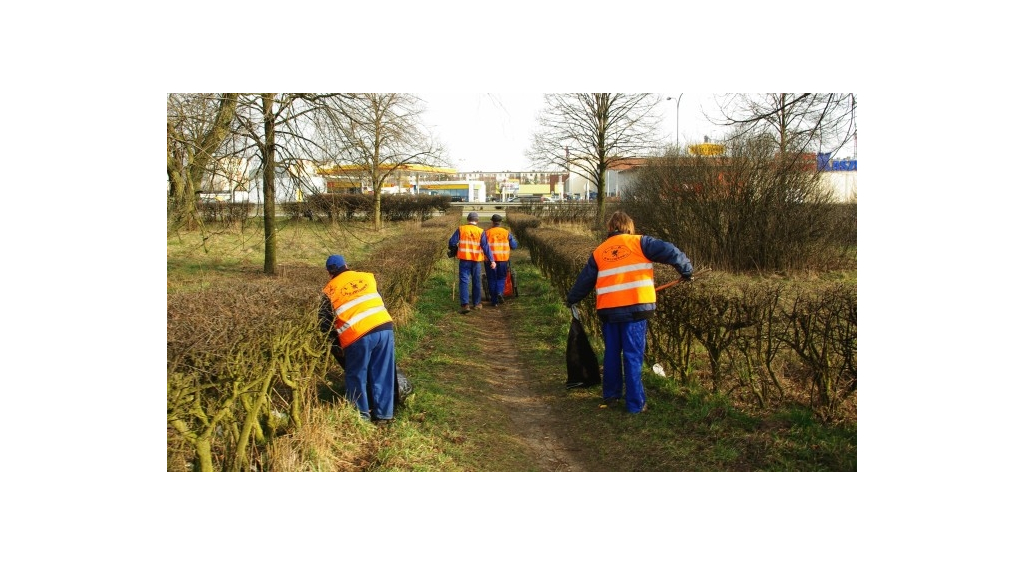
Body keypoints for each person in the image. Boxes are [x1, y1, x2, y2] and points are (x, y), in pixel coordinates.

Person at [565, 211, 693, 414]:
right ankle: (635, 404)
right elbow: (670, 251)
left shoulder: (600, 251)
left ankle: (611, 395)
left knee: (612, 354)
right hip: (635, 310)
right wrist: (686, 269)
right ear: (629, 227)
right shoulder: (641, 243)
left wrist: (572, 298)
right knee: (632, 356)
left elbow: (585, 280)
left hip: (608, 310)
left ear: (610, 228)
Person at [318, 254, 396, 424]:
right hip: (384, 326)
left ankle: (361, 417)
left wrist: (337, 347)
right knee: (382, 371)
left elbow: (324, 325)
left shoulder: (328, 290)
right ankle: (385, 415)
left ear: (329, 273)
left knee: (356, 376)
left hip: (357, 334)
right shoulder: (367, 277)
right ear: (346, 265)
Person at [448, 211, 496, 314]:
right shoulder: (481, 231)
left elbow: (452, 242)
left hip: (464, 259)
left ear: (467, 220)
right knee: (476, 281)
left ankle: (465, 305)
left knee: (464, 281)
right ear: (477, 221)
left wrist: (454, 249)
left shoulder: (461, 229)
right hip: (476, 261)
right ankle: (477, 303)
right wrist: (492, 260)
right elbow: (486, 247)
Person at [484, 214, 518, 307]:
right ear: (501, 222)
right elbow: (514, 245)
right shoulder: (506, 233)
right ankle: (499, 292)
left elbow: (482, 245)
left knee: (491, 279)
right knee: (501, 278)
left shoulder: (487, 233)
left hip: (490, 260)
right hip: (503, 259)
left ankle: (494, 301)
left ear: (492, 222)